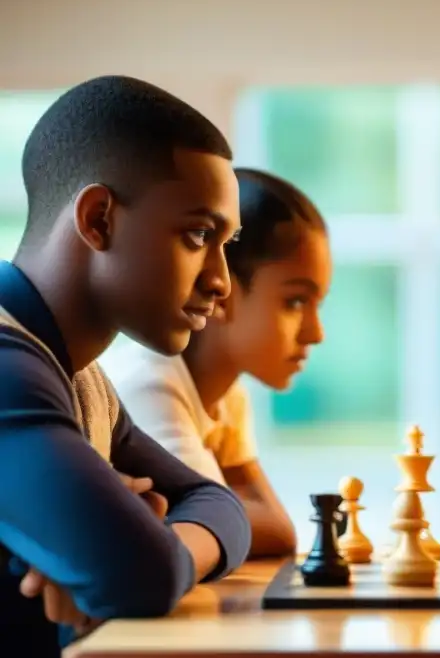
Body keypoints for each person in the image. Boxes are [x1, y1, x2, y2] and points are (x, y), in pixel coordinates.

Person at [0, 76, 311, 658]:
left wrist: (147, 537)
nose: (222, 281)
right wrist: (135, 545)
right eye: (198, 237)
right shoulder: (9, 367)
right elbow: (138, 574)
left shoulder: (83, 380)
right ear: (97, 219)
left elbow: (216, 503)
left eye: (226, 246)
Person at [103, 168, 331, 559]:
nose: (316, 333)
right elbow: (240, 526)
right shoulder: (151, 384)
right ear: (222, 290)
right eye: (295, 302)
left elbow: (272, 525)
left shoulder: (228, 398)